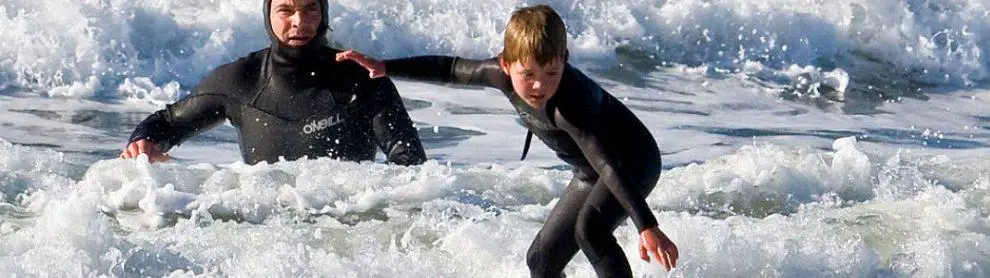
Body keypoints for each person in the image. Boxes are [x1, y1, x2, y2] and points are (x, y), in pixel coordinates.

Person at [336, 5, 679, 277]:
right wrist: (384, 66)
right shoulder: (498, 74)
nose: (539, 86)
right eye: (527, 75)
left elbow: (608, 164)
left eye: (551, 74)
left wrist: (647, 226)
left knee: (589, 229)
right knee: (541, 261)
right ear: (505, 64)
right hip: (591, 170)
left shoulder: (570, 108)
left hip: (631, 162)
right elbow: (448, 68)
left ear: (565, 61)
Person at [119, 0, 426, 166]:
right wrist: (143, 143)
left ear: (324, 13)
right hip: (267, 238)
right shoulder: (241, 81)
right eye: (286, 9)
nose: (299, 21)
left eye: (310, 9)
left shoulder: (362, 79)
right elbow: (167, 122)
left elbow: (410, 163)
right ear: (269, 14)